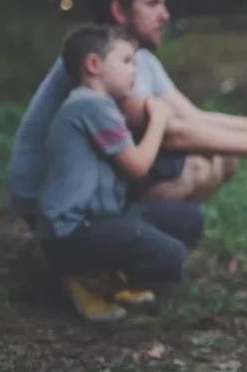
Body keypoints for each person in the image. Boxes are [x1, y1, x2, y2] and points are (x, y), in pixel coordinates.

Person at [8, 0, 247, 221]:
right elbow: (173, 134)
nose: (165, 15)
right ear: (119, 10)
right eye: (152, 4)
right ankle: (107, 257)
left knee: (222, 158)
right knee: (196, 166)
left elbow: (194, 117)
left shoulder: (139, 58)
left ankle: (135, 251)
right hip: (46, 195)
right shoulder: (104, 64)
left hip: (89, 184)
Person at [37, 25, 204, 321]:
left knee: (190, 218)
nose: (134, 72)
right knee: (171, 257)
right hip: (71, 233)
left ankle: (110, 275)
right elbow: (138, 166)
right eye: (126, 62)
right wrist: (160, 118)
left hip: (101, 220)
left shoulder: (98, 105)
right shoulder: (91, 105)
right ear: (93, 65)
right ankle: (83, 278)